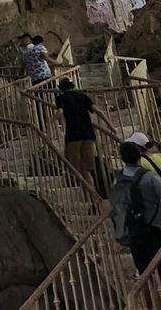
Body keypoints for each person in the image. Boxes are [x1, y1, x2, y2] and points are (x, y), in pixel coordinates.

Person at [55, 78, 118, 187]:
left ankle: (88, 194)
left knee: (74, 168)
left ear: (61, 88)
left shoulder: (61, 97)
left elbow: (60, 111)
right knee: (86, 170)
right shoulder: (82, 96)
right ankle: (93, 195)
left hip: (73, 136)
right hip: (88, 134)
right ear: (72, 86)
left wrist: (51, 123)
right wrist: (111, 126)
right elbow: (97, 111)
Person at [111, 141, 161, 274]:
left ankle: (149, 295)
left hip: (133, 230)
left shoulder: (118, 180)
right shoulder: (148, 178)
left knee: (143, 271)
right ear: (139, 156)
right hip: (154, 228)